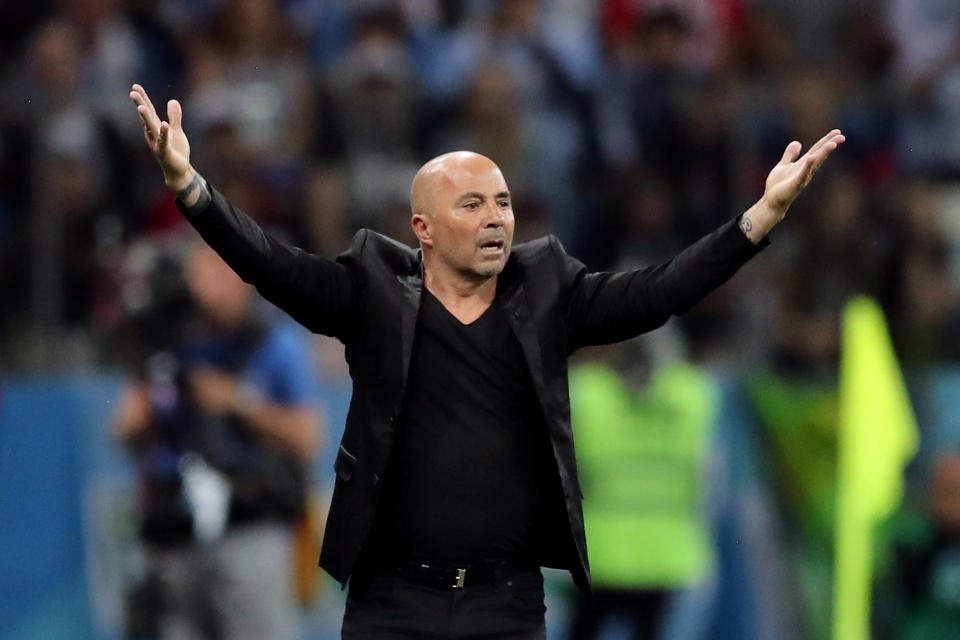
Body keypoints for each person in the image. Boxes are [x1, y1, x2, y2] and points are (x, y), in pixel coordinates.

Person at [129, 82, 844, 638]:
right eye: (472, 205)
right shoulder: (370, 296)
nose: (497, 218)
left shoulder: (549, 296)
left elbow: (659, 292)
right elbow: (270, 264)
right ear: (424, 230)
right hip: (390, 607)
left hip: (506, 606)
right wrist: (192, 190)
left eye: (502, 203)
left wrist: (757, 222)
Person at [111, 241, 321, 640]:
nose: (208, 287)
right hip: (173, 537)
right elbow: (124, 431)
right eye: (201, 274)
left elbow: (308, 438)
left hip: (249, 527)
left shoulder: (274, 343)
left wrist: (237, 401)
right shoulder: (169, 345)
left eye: (221, 274)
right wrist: (138, 418)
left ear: (243, 280)